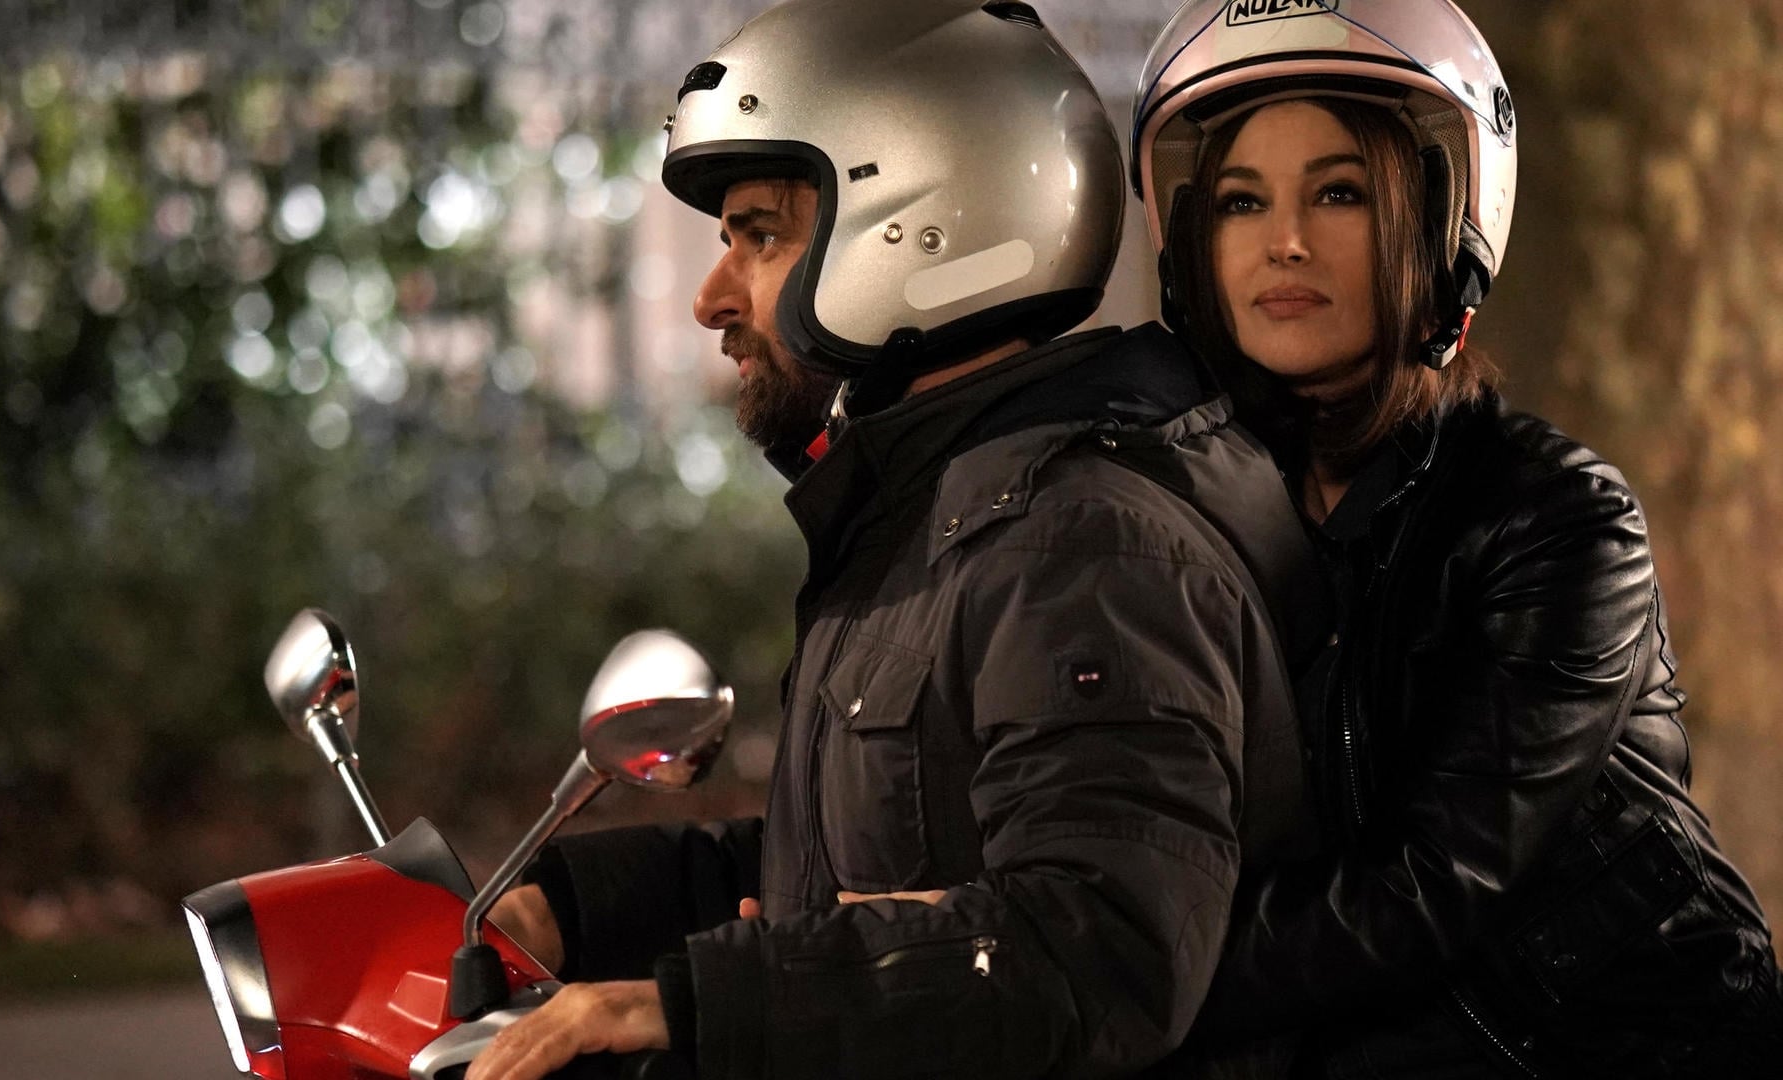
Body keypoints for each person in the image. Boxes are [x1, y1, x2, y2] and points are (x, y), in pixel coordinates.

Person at [466, 1, 1329, 1077]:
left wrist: (690, 1006)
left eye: (761, 236)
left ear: (923, 222)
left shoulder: (1081, 548)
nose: (711, 298)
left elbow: (1094, 950)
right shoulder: (946, 517)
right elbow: (863, 857)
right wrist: (571, 910)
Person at [1129, 2, 1783, 1076]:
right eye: (1243, 201)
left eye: (1338, 192)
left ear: (1440, 224)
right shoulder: (1196, 519)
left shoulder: (1558, 518)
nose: (1284, 240)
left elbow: (1434, 886)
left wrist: (1100, 982)